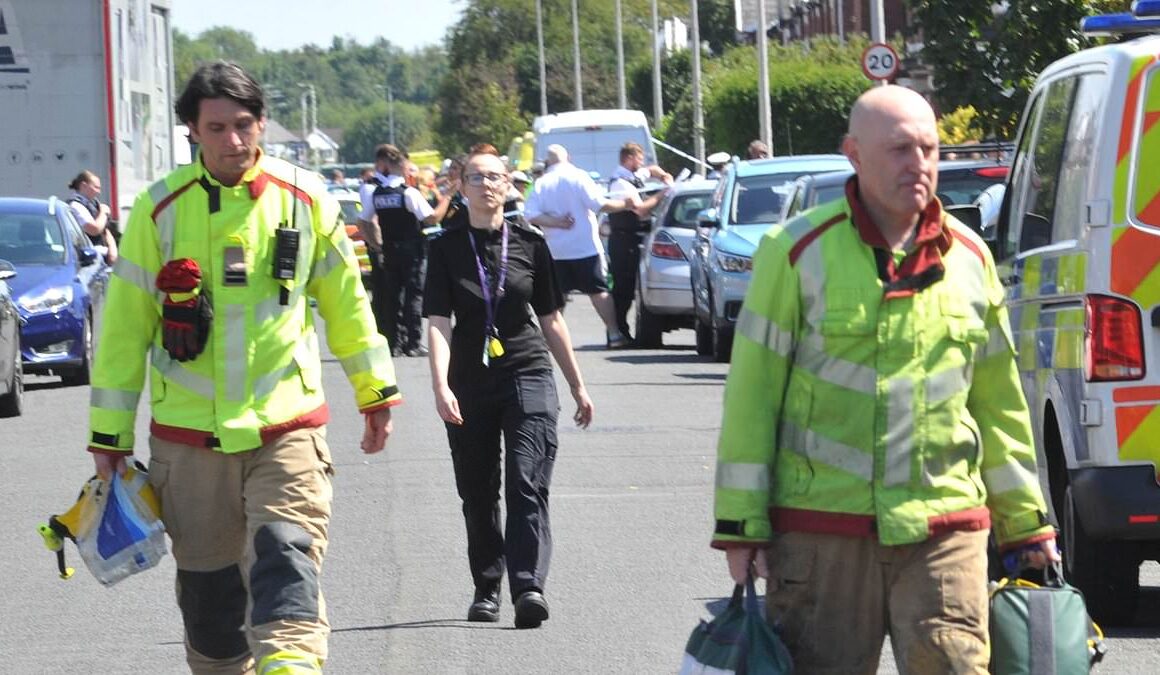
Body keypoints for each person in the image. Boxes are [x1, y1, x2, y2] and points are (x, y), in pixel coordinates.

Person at [712, 85, 1058, 673]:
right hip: (825, 537)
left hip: (944, 530)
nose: (918, 164)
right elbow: (752, 395)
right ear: (854, 152)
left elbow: (1000, 403)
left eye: (929, 148)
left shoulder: (970, 260)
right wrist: (742, 525)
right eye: (900, 149)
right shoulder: (794, 252)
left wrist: (1026, 523)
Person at [85, 61, 401, 674]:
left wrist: (375, 391)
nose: (235, 140)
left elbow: (348, 304)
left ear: (260, 124)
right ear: (192, 134)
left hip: (287, 430)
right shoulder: (158, 212)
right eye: (218, 127)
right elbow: (122, 334)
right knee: (213, 610)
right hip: (188, 445)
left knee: (288, 564)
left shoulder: (307, 201)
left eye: (245, 124)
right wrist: (109, 439)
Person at [424, 147, 593, 629]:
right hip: (469, 379)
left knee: (526, 481)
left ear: (509, 186)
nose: (486, 185)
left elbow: (552, 319)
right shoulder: (445, 246)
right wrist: (440, 385)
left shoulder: (530, 242)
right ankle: (487, 586)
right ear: (461, 186)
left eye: (495, 177)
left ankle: (528, 586)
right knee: (478, 492)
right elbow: (438, 321)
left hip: (527, 370)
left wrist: (577, 385)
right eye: (476, 178)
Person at [524, 144, 637, 348]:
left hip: (556, 250)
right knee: (599, 292)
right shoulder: (579, 176)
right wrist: (625, 204)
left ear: (548, 162)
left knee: (558, 297)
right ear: (569, 157)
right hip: (585, 247)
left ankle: (551, 338)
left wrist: (555, 222)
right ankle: (614, 334)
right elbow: (598, 204)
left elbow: (530, 215)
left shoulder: (541, 183)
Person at [358, 143, 455, 356]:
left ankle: (394, 342)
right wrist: (447, 197)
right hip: (412, 250)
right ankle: (412, 343)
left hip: (389, 250)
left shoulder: (377, 193)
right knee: (414, 296)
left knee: (393, 295)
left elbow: (364, 222)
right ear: (403, 168)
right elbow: (432, 218)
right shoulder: (409, 193)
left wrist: (377, 246)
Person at [606, 142, 672, 341]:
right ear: (629, 158)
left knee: (629, 288)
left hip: (633, 240)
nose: (642, 163)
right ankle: (618, 331)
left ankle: (620, 331)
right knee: (623, 289)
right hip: (624, 241)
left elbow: (651, 170)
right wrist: (663, 193)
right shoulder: (621, 182)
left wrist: (664, 176)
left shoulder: (632, 176)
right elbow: (641, 210)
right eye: (639, 159)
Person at [66, 170, 118, 264]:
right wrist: (103, 212)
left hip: (102, 256)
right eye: (96, 187)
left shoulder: (93, 204)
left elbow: (105, 230)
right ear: (84, 186)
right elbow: (94, 229)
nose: (98, 192)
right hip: (87, 258)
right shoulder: (75, 205)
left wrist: (112, 249)